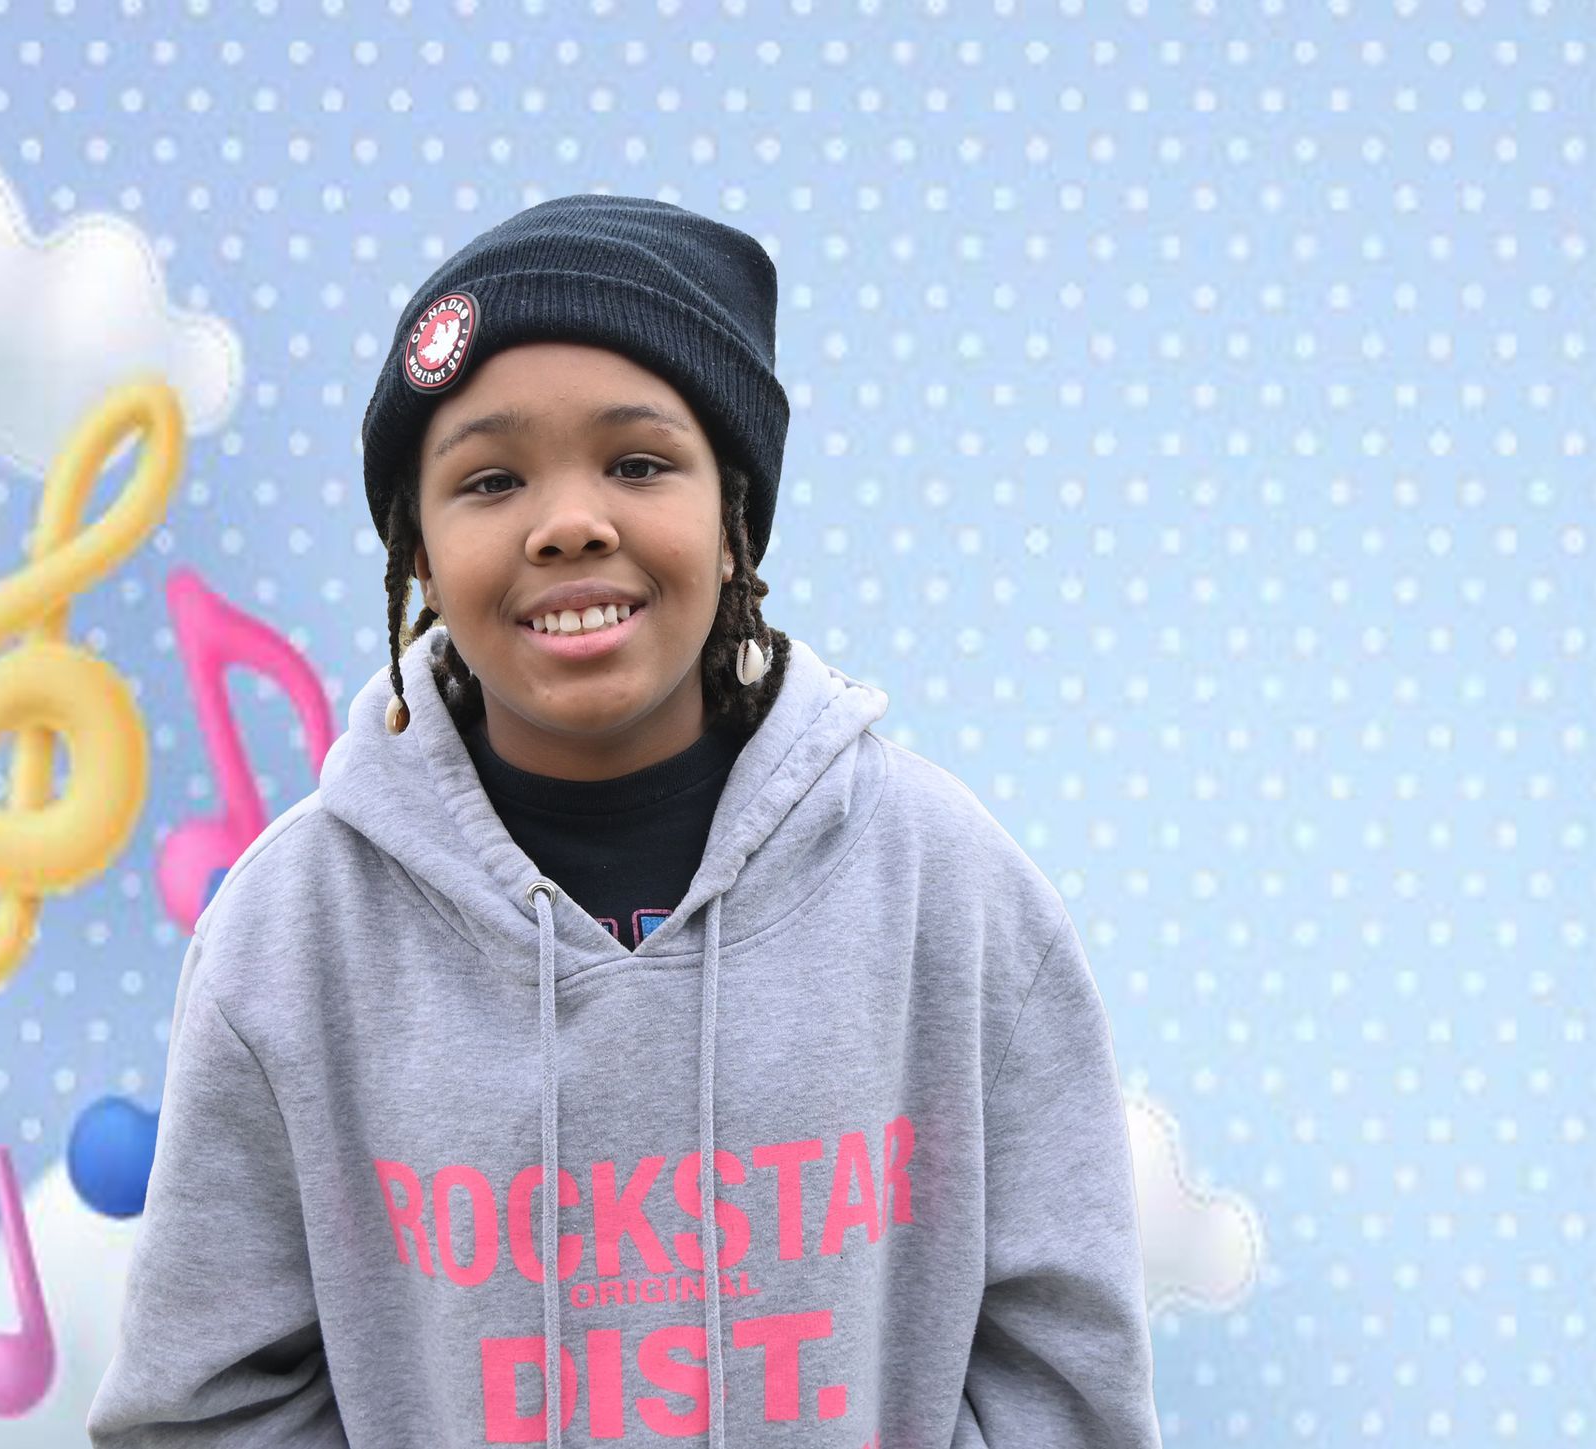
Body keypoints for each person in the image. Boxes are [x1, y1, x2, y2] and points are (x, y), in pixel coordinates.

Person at [87, 193, 1162, 1447]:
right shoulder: (294, 934)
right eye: (491, 479)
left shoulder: (946, 891)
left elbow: (1062, 1380)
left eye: (639, 464)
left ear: (734, 514)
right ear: (417, 551)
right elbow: (206, 1405)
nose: (569, 523)